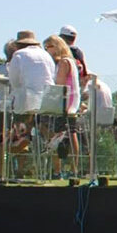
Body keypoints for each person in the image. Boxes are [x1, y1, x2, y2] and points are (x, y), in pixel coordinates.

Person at [43, 34, 84, 174]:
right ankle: (73, 168)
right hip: (72, 100)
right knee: (70, 132)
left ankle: (57, 169)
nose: (47, 50)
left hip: (65, 101)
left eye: (48, 47)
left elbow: (58, 84)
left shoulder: (63, 63)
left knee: (58, 131)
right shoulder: (70, 61)